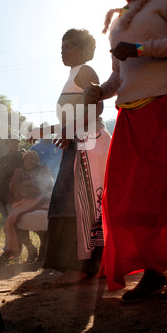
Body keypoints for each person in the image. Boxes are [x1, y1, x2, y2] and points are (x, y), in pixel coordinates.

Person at [85, 0, 167, 302]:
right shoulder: (118, 24)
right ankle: (153, 271)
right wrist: (101, 91)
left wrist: (144, 49)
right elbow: (120, 75)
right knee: (124, 197)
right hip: (131, 113)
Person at [41, 28, 111, 284]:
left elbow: (98, 105)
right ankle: (91, 264)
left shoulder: (85, 71)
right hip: (78, 144)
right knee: (72, 202)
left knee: (81, 204)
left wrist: (70, 130)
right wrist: (42, 131)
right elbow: (70, 121)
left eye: (69, 45)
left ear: (83, 50)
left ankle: (81, 267)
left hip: (89, 144)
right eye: (62, 45)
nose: (63, 50)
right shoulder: (73, 76)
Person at [4, 150, 54, 261]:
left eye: (32, 158)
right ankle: (31, 249)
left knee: (43, 217)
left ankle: (43, 250)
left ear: (37, 160)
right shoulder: (19, 171)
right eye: (26, 159)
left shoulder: (43, 169)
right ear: (23, 161)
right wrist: (27, 189)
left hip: (43, 200)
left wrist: (31, 183)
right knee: (12, 219)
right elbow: (13, 185)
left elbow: (49, 182)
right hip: (23, 202)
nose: (29, 161)